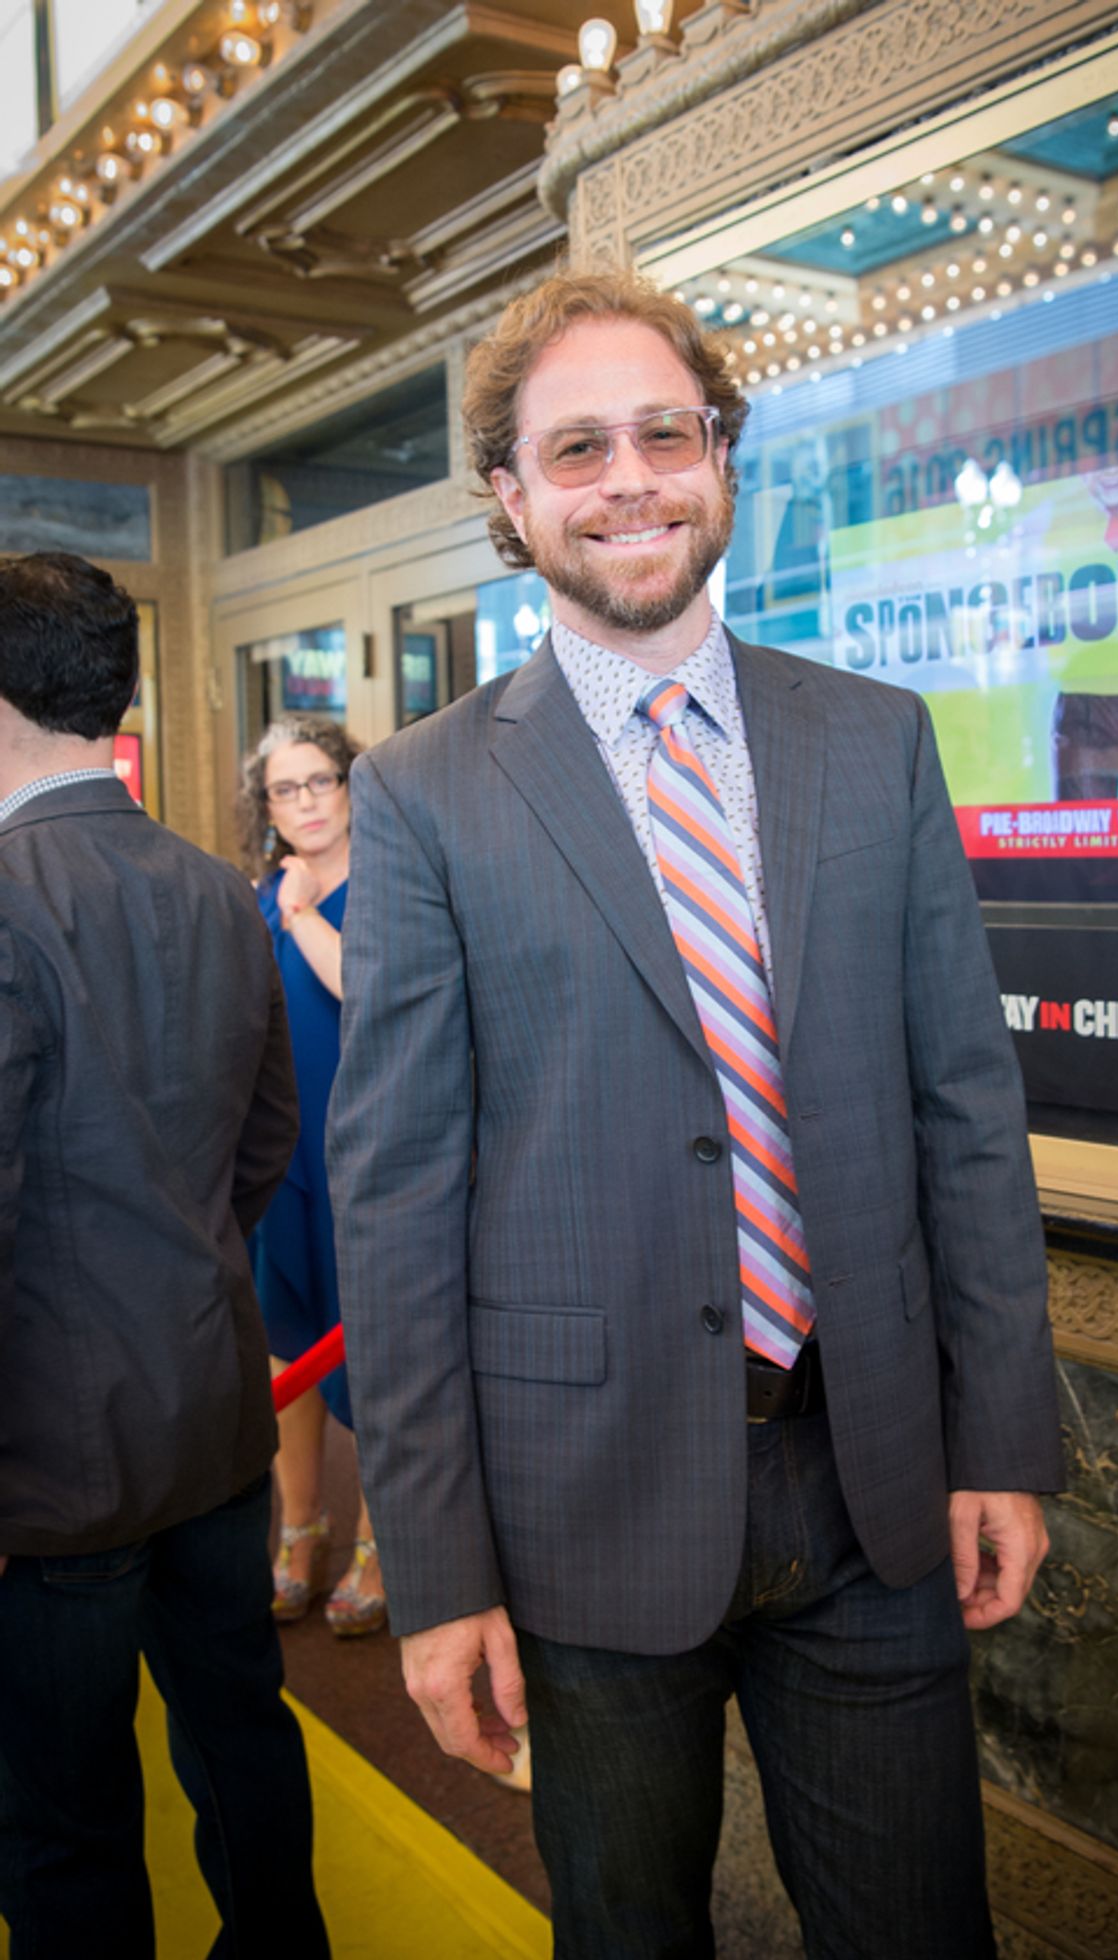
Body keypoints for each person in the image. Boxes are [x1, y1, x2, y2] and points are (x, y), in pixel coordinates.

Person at [327, 270, 1064, 1958]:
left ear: (723, 454)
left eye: (667, 432)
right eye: (575, 447)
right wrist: (434, 1568)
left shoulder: (874, 742)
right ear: (511, 497)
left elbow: (966, 1105)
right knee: (632, 1932)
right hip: (579, 1508)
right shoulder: (425, 794)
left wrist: (1003, 1433)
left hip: (870, 1476)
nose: (631, 477)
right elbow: (396, 1195)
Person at [0, 552, 328, 1959]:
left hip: (49, 1463)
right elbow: (265, 1148)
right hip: (210, 1409)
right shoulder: (215, 889)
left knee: (63, 1819)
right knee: (241, 1738)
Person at [236, 714, 385, 1636]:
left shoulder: (386, 884)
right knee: (284, 1349)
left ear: (350, 783)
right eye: (284, 789)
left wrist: (298, 912)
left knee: (376, 1362)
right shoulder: (257, 899)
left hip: (370, 1162)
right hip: (281, 1167)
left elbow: (366, 991)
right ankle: (300, 1527)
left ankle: (383, 1541)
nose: (304, 802)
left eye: (319, 781)